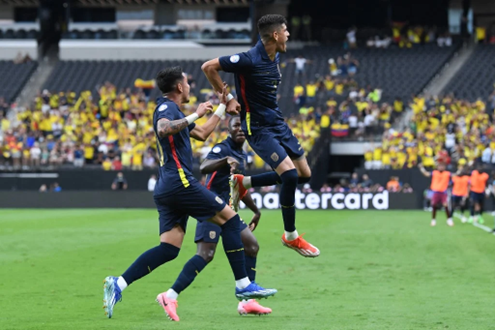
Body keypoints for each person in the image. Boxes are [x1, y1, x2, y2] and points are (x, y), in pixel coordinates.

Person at [103, 67, 276, 321]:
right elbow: (164, 128)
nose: (190, 86)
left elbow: (203, 133)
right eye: (187, 83)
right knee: (229, 219)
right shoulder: (166, 108)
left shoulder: (177, 112)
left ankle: (118, 284)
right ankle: (243, 285)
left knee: (168, 249)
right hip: (180, 182)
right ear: (180, 87)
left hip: (167, 187)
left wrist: (217, 108)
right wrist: (195, 112)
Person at [201, 14, 319, 258]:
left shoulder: (274, 57)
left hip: (277, 122)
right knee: (288, 175)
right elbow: (208, 67)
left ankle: (244, 182)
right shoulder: (249, 58)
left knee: (303, 175)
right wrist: (230, 97)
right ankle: (291, 236)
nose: (289, 35)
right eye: (286, 31)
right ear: (275, 35)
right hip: (257, 127)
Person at [165, 116, 271, 316]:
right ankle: (170, 296)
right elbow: (204, 167)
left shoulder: (243, 154)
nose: (240, 129)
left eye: (242, 126)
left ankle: (247, 302)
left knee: (252, 245)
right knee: (206, 255)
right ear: (229, 130)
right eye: (235, 125)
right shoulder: (222, 148)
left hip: (228, 212)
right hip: (211, 209)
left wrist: (256, 210)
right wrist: (225, 160)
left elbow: (238, 185)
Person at [419, 162, 453, 227]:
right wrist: (421, 168)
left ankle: (449, 219)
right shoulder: (434, 173)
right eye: (440, 166)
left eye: (442, 166)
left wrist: (460, 171)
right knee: (434, 205)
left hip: (443, 192)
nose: (441, 167)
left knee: (445, 205)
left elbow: (455, 175)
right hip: (435, 192)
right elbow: (426, 174)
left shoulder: (447, 174)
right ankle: (433, 220)